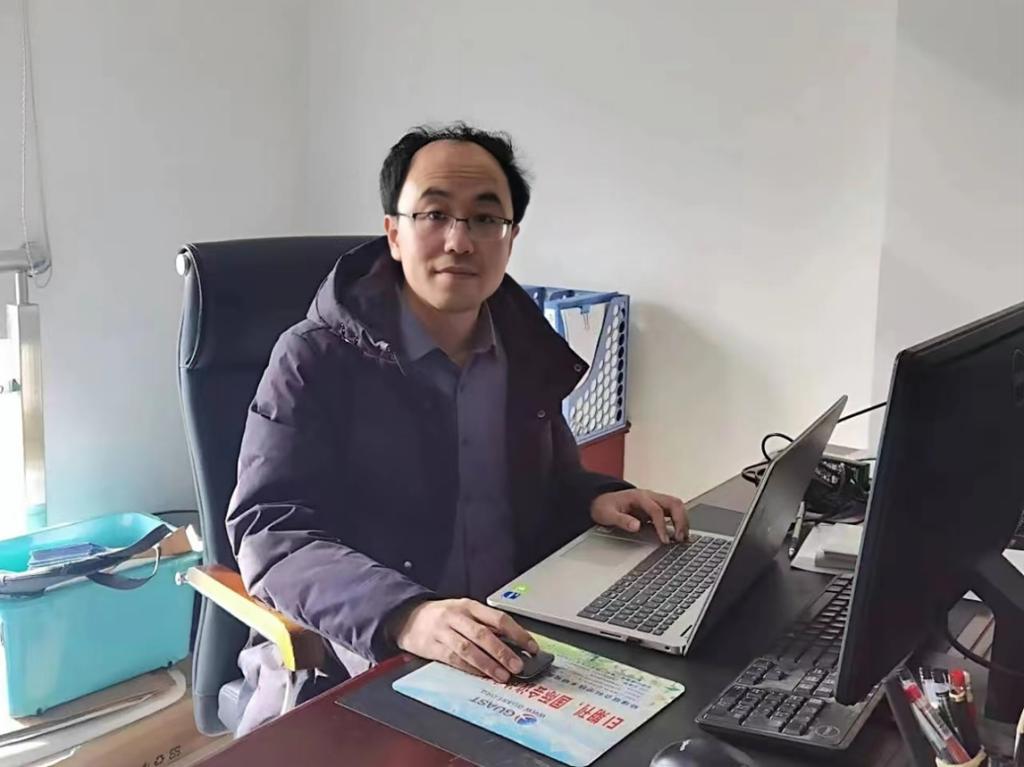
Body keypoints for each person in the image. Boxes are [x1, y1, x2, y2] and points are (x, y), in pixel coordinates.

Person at [226, 122, 689, 733]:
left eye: (485, 218)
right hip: (373, 656)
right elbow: (269, 529)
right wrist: (408, 614)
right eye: (434, 214)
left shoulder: (524, 349)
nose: (459, 240)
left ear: (510, 238)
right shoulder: (314, 357)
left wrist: (598, 497)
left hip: (516, 642)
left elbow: (548, 481)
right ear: (394, 233)